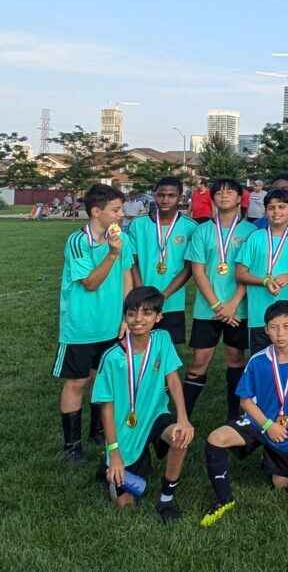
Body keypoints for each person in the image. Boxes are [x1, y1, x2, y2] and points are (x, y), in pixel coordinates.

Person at [200, 301, 288, 527]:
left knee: (281, 484)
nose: (280, 334)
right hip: (260, 422)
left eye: (286, 326)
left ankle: (276, 457)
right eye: (274, 327)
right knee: (215, 439)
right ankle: (224, 499)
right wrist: (268, 425)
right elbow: (245, 401)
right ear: (266, 329)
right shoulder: (258, 360)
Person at [93, 287, 193, 520]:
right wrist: (114, 452)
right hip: (124, 432)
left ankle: (166, 499)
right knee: (126, 503)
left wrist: (183, 418)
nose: (138, 319)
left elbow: (173, 379)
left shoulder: (162, 339)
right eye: (132, 313)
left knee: (181, 437)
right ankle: (109, 465)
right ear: (125, 317)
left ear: (158, 317)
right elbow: (106, 408)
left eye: (147, 313)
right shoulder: (112, 358)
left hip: (156, 415)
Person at [54, 184, 134, 465]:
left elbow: (126, 276)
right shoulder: (78, 241)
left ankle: (98, 431)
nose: (121, 215)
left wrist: (127, 316)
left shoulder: (122, 238)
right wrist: (111, 254)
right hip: (81, 327)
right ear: (96, 212)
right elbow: (89, 283)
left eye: (121, 209)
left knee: (104, 379)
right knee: (78, 381)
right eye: (116, 210)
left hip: (111, 326)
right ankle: (72, 446)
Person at [183, 178, 259, 421]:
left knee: (235, 358)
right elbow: (198, 272)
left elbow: (250, 271)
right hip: (208, 309)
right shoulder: (202, 231)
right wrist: (218, 305)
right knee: (199, 361)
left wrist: (233, 303)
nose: (224, 195)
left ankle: (233, 416)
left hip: (239, 308)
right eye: (219, 192)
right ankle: (183, 417)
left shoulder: (252, 232)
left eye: (230, 192)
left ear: (239, 198)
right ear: (213, 198)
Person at [235, 189, 288, 352]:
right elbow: (240, 273)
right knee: (260, 359)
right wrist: (264, 281)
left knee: (287, 361)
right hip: (259, 316)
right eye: (271, 208)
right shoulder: (255, 237)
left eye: (281, 207)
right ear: (265, 212)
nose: (276, 212)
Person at [126, 177, 197, 345]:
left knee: (168, 348)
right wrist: (141, 292)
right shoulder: (138, 224)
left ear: (180, 197)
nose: (165, 200)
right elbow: (131, 261)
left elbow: (189, 267)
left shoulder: (191, 227)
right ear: (154, 195)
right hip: (140, 299)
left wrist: (164, 295)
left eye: (171, 195)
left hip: (172, 301)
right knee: (137, 346)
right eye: (161, 195)